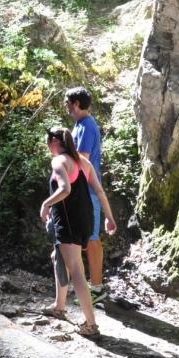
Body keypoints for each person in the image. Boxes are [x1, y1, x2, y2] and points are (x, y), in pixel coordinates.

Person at [39, 127, 116, 336]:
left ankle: (91, 324)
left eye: (48, 142)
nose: (47, 146)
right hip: (86, 220)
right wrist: (109, 218)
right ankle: (59, 307)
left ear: (55, 141)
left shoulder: (59, 161)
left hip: (69, 221)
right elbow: (99, 191)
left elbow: (65, 189)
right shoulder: (84, 162)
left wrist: (46, 204)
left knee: (76, 270)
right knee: (59, 257)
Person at [64, 86, 108, 303]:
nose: (66, 107)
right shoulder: (80, 125)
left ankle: (97, 288)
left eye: (68, 103)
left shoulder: (87, 126)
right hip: (82, 190)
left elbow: (82, 158)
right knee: (84, 237)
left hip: (88, 190)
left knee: (91, 239)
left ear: (77, 104)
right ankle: (89, 287)